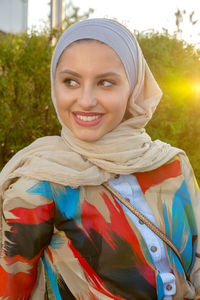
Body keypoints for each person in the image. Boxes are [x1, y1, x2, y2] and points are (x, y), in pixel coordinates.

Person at [0, 18, 199, 300]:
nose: (86, 100)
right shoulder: (42, 182)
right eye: (71, 81)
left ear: (133, 86)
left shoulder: (172, 165)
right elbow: (10, 290)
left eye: (106, 83)